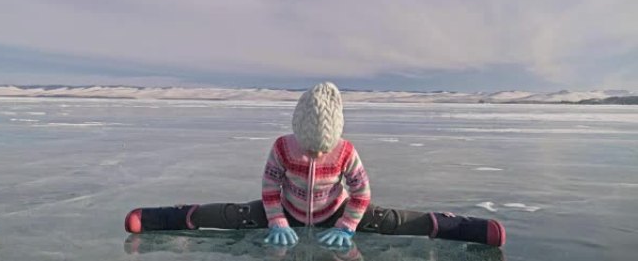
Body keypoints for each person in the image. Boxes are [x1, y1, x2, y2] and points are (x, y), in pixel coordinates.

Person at [125, 82, 506, 248]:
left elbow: (361, 192)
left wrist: (347, 223)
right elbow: (270, 188)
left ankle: (464, 228)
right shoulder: (281, 148)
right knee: (232, 213)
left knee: (392, 220)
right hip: (288, 212)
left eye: (319, 151)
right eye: (307, 150)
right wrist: (275, 219)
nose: (310, 158)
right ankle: (164, 217)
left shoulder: (345, 152)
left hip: (333, 212)